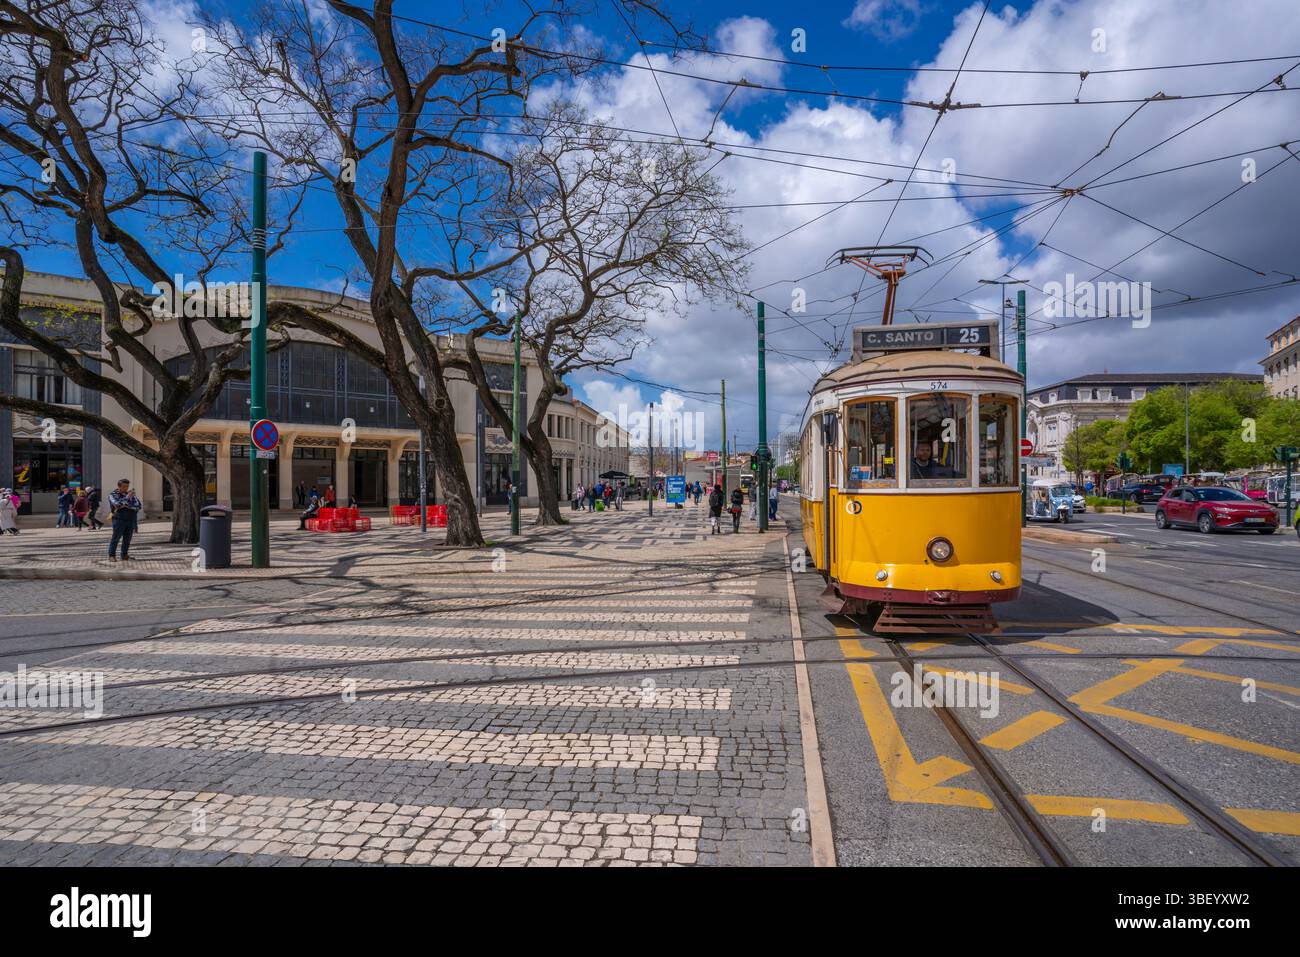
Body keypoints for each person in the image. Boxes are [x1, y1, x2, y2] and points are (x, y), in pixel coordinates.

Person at [107, 479, 142, 561]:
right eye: (124, 486)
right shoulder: (112, 495)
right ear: (119, 486)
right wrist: (127, 498)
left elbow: (138, 506)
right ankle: (111, 555)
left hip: (130, 518)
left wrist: (126, 505)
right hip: (119, 519)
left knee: (127, 539)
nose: (126, 488)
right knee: (116, 538)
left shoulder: (131, 494)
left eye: (127, 486)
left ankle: (124, 555)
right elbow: (117, 505)